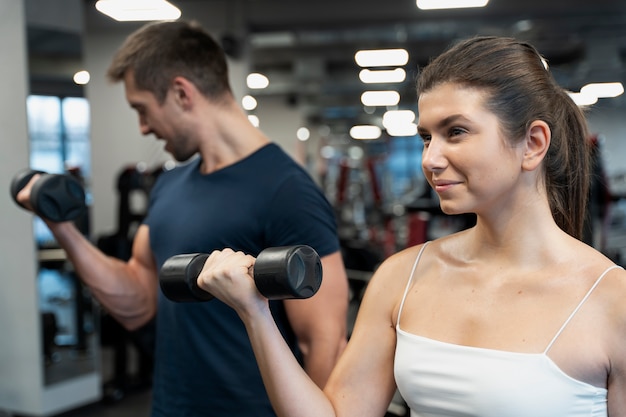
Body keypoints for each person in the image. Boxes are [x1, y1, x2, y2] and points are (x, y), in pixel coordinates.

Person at [195, 36, 626, 416]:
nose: (430, 159)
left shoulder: (611, 300)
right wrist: (256, 314)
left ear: (532, 144)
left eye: (455, 132)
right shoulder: (402, 276)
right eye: (425, 137)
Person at [16, 20, 349, 416]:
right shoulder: (169, 185)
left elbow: (323, 345)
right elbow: (138, 299)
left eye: (142, 109)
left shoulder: (288, 191)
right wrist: (61, 227)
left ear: (181, 93)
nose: (143, 127)